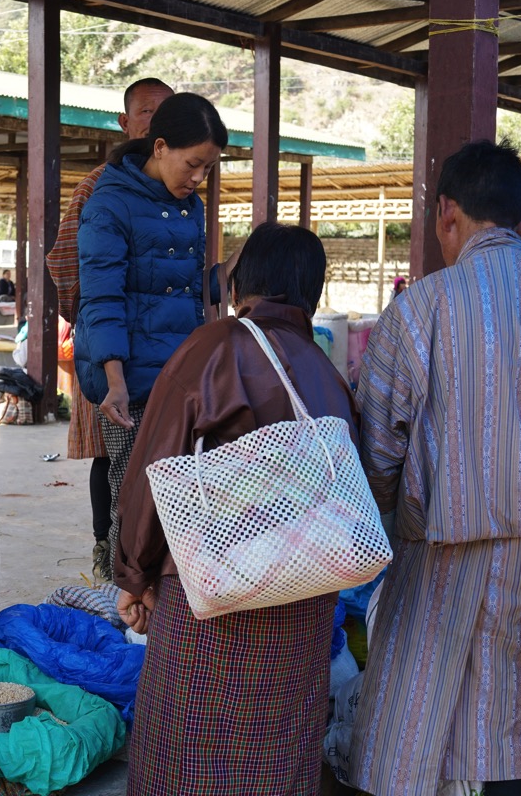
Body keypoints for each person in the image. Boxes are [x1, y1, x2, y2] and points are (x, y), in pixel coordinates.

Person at [349, 140, 521, 796]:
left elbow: (377, 454)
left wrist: (400, 514)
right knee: (508, 725)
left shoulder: (420, 309)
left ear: (447, 213)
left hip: (438, 553)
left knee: (415, 728)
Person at [115, 223, 357, 795]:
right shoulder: (328, 374)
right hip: (305, 601)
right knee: (278, 751)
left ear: (238, 284)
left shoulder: (214, 346)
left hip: (212, 596)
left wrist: (134, 573)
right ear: (312, 295)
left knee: (187, 749)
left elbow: (154, 468)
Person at [74, 91, 227, 580]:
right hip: (131, 380)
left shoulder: (191, 207)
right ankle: (127, 603)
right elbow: (101, 298)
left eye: (208, 168)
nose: (198, 178)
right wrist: (113, 380)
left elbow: (186, 293)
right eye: (193, 164)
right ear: (159, 147)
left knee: (185, 496)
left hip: (178, 373)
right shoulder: (109, 204)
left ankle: (172, 603)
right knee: (135, 498)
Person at [47, 76, 174, 581]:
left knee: (164, 452)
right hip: (111, 346)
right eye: (146, 112)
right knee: (110, 448)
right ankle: (110, 553)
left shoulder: (181, 189)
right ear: (125, 123)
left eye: (165, 112)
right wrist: (97, 320)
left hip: (165, 349)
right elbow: (63, 262)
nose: (155, 122)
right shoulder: (99, 185)